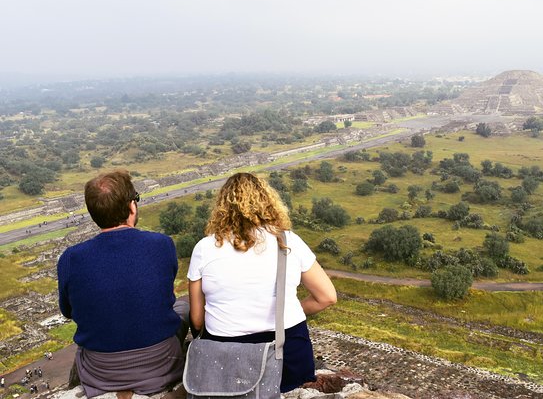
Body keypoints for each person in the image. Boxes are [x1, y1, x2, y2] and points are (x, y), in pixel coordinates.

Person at [188, 172, 337, 394]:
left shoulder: (203, 248)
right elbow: (327, 297)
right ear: (268, 201)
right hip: (287, 354)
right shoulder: (287, 240)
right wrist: (289, 308)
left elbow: (197, 320)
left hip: (224, 359)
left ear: (222, 207)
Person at [58, 170, 189, 398]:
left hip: (100, 372)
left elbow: (67, 311)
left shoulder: (71, 258)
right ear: (132, 206)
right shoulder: (161, 244)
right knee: (183, 307)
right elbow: (163, 298)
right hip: (160, 364)